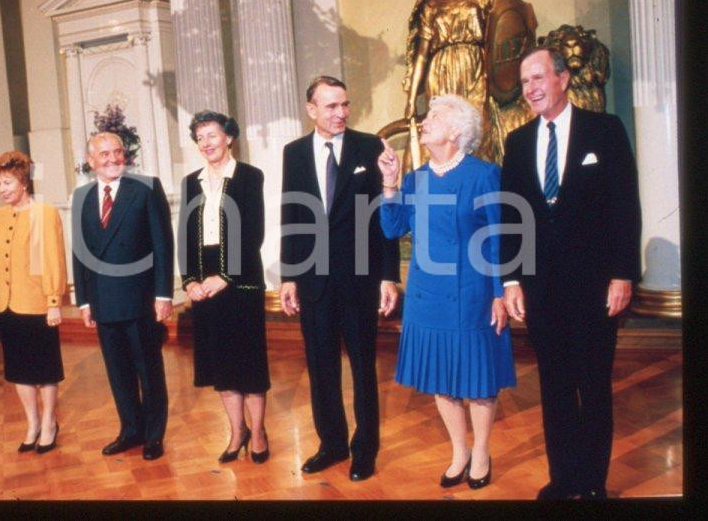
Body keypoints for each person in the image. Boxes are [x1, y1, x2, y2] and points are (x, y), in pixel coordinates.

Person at [500, 47, 641, 500]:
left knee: (594, 384)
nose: (531, 89)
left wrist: (623, 274)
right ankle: (563, 479)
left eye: (538, 78)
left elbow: (625, 206)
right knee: (554, 384)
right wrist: (511, 279)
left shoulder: (605, 129)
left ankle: (594, 483)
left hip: (595, 286)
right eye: (525, 83)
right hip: (540, 288)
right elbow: (510, 216)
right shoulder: (517, 142)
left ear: (562, 79)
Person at [378, 94, 516, 490]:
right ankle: (459, 451)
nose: (425, 121)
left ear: (457, 131)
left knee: (477, 380)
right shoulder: (415, 177)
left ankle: (483, 451)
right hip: (425, 293)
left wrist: (498, 293)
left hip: (472, 292)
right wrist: (389, 184)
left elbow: (498, 238)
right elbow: (391, 228)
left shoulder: (483, 174)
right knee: (440, 378)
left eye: (435, 116)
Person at [280, 76, 400, 481]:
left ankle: (364, 449)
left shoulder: (370, 146)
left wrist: (388, 276)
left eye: (345, 104)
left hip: (360, 278)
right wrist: (289, 276)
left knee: (364, 368)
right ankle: (331, 444)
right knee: (321, 366)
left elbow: (385, 215)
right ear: (311, 109)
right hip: (313, 280)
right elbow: (291, 216)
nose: (341, 113)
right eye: (331, 106)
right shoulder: (293, 153)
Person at [72, 132, 173, 460]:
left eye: (118, 152)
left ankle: (154, 435)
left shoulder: (146, 188)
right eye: (104, 154)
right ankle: (131, 430)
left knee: (149, 370)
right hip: (102, 300)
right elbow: (80, 252)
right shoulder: (82, 196)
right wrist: (84, 300)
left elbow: (162, 244)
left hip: (140, 298)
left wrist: (163, 294)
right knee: (118, 372)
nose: (113, 158)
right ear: (91, 161)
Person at [179, 111, 271, 464]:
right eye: (200, 137)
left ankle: (259, 431)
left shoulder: (249, 177)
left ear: (229, 137)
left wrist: (226, 277)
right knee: (221, 365)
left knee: (248, 364)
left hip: (241, 279)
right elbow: (186, 235)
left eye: (212, 135)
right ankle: (237, 432)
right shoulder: (192, 182)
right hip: (204, 280)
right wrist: (189, 280)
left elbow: (253, 232)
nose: (206, 143)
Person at [0, 151, 67, 454]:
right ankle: (31, 424)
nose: (1, 189)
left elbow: (52, 260)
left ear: (23, 182)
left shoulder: (44, 213)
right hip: (8, 304)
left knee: (44, 371)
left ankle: (49, 423)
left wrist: (54, 301)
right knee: (19, 371)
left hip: (37, 304)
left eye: (6, 182)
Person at [403, 0, 492, 125]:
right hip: (441, 70)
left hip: (475, 65)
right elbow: (422, 55)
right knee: (445, 128)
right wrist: (411, 98)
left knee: (478, 125)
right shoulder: (431, 4)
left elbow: (493, 38)